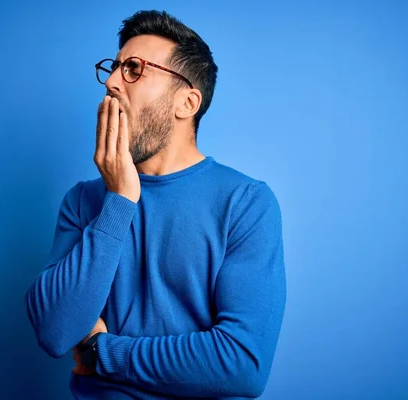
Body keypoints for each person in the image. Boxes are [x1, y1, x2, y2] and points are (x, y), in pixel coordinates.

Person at [25, 9, 286, 399]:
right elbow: (56, 332)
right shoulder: (83, 200)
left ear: (187, 102)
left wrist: (103, 351)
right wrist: (119, 200)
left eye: (133, 69)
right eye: (113, 68)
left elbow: (241, 365)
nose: (112, 82)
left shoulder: (245, 203)